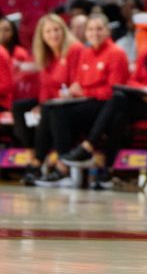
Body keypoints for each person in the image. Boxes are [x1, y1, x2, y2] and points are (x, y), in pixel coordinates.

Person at [60, 14, 147, 186]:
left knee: (117, 101)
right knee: (118, 115)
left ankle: (88, 147)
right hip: (139, 99)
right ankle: (107, 171)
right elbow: (131, 80)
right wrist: (145, 90)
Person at [35, 14, 130, 187]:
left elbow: (114, 91)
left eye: (99, 29)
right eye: (90, 29)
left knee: (57, 112)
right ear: (85, 33)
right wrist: (73, 93)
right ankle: (56, 165)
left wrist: (84, 91)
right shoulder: (86, 53)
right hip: (87, 103)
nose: (95, 33)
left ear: (108, 31)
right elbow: (77, 83)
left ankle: (59, 167)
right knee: (52, 109)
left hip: (106, 106)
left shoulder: (116, 53)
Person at [10, 14, 84, 184]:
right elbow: (45, 88)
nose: (53, 35)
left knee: (50, 109)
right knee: (20, 108)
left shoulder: (75, 49)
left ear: (63, 31)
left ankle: (40, 162)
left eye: (56, 30)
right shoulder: (46, 55)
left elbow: (76, 84)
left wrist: (46, 104)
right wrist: (41, 105)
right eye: (48, 31)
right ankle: (31, 155)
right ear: (42, 36)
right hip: (53, 103)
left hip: (72, 103)